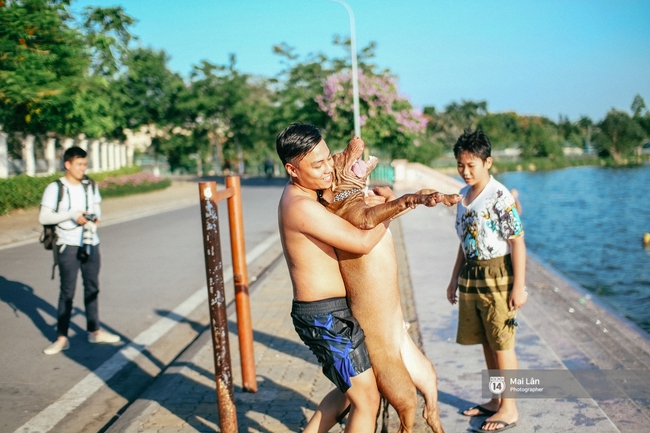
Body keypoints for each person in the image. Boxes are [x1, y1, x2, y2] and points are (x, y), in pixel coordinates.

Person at [277, 123, 389, 432]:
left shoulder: (308, 195)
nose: (329, 169)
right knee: (368, 400)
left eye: (328, 158)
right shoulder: (301, 207)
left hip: (329, 313)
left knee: (347, 393)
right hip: (325, 319)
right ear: (292, 169)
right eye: (317, 165)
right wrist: (392, 207)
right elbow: (363, 241)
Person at [445, 129, 526, 433]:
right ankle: (495, 399)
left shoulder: (499, 195)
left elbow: (517, 241)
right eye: (460, 165)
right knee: (487, 342)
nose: (465, 171)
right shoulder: (463, 197)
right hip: (472, 274)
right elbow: (464, 241)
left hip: (498, 275)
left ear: (488, 162)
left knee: (502, 341)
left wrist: (519, 286)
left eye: (471, 165)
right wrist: (454, 279)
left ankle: (510, 407)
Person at [40, 146, 121, 355]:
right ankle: (61, 337)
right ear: (67, 164)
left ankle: (95, 331)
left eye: (85, 164)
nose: (83, 168)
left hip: (90, 242)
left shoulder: (89, 185)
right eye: (79, 164)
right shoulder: (55, 188)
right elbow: (44, 217)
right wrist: (71, 214)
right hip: (67, 245)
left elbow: (96, 206)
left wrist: (94, 218)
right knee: (67, 291)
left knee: (92, 288)